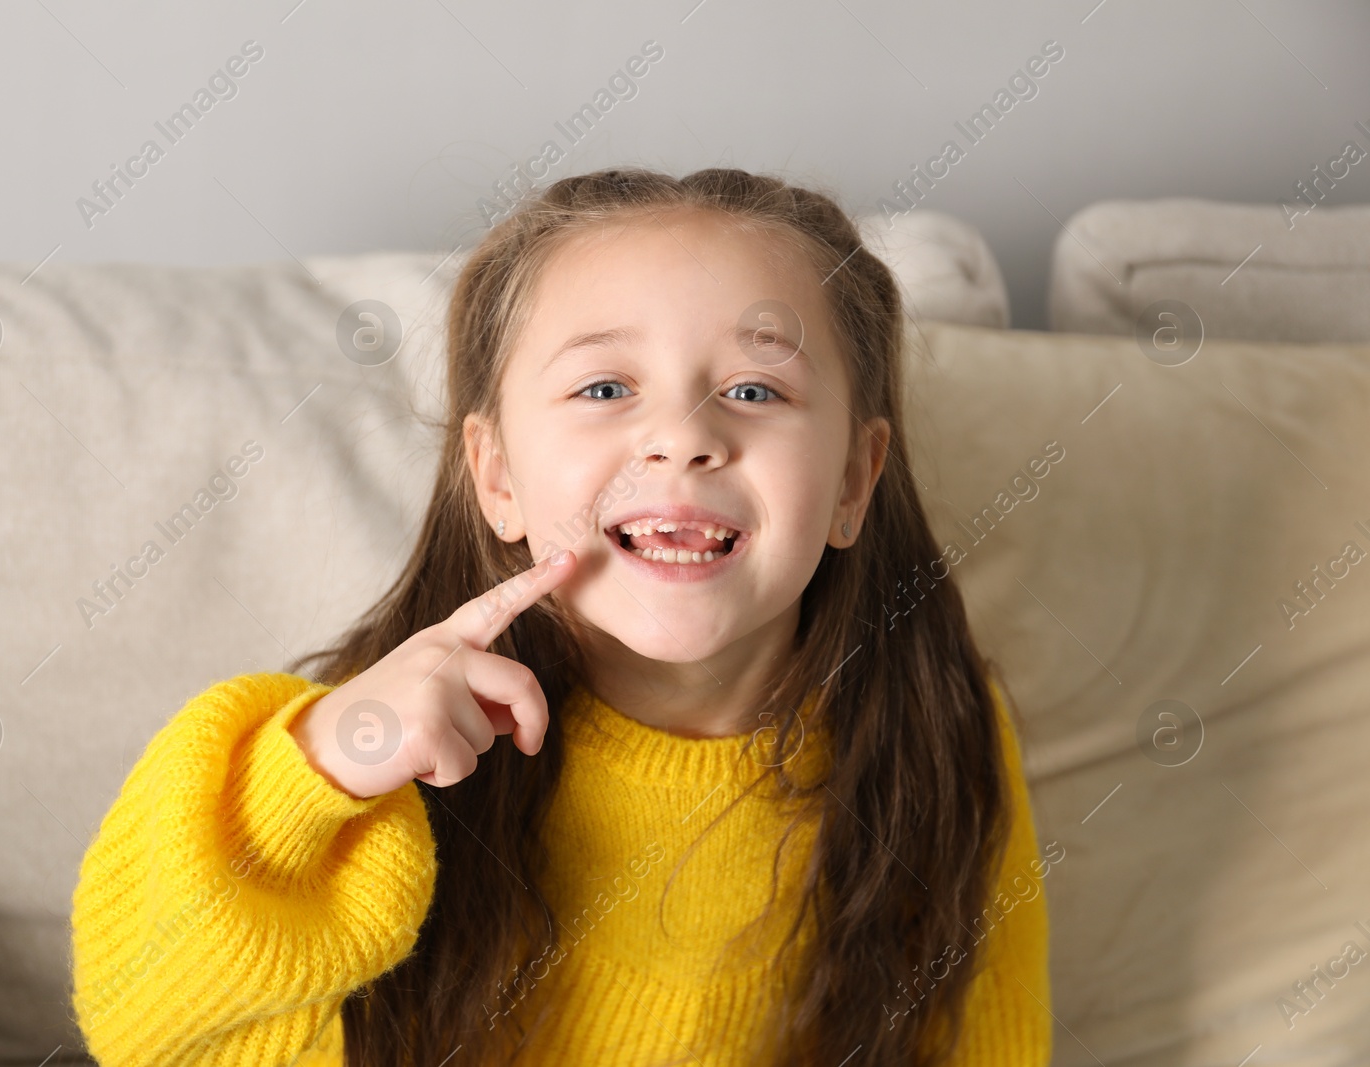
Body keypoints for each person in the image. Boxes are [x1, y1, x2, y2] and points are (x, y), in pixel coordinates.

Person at [69, 167, 1054, 1066]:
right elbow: (144, 1026)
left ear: (853, 478)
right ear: (496, 477)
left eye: (754, 388)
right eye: (604, 387)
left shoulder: (937, 732)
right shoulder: (378, 752)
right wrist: (321, 760)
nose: (680, 437)